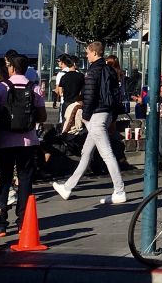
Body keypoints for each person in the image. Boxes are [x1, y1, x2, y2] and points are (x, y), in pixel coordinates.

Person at [52, 40, 127, 205]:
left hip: (96, 115)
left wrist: (85, 115)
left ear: (94, 53)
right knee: (86, 152)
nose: (86, 55)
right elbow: (115, 95)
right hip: (106, 114)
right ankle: (68, 187)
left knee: (106, 154)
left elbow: (89, 95)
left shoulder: (93, 72)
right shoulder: (110, 70)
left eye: (87, 52)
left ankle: (119, 190)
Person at [0, 53, 47, 237]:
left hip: (5, 140)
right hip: (28, 140)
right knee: (25, 180)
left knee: (4, 180)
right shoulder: (35, 89)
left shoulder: (1, 88)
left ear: (12, 68)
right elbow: (42, 116)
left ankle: (0, 223)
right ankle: (23, 221)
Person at [57, 55, 84, 122]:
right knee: (76, 123)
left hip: (66, 103)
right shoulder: (81, 76)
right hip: (77, 103)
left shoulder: (63, 77)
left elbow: (60, 92)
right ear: (74, 64)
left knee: (65, 123)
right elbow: (83, 91)